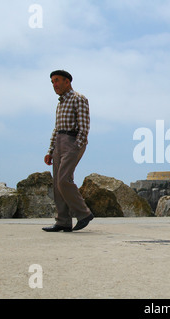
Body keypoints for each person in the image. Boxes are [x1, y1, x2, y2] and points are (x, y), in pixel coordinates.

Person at [42, 70, 94, 232]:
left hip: (72, 141)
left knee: (64, 180)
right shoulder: (60, 103)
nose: (54, 85)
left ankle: (84, 213)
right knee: (57, 185)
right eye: (52, 82)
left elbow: (84, 125)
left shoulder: (79, 99)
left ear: (67, 82)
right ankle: (63, 221)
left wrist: (77, 145)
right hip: (59, 142)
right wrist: (51, 150)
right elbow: (56, 129)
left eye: (57, 81)